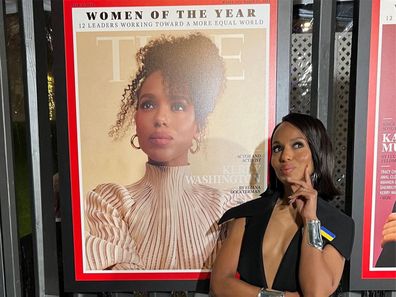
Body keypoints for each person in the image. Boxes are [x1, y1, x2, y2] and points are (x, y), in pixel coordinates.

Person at [84, 33, 248, 271]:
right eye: (148, 104)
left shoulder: (228, 206)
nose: (160, 118)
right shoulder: (111, 201)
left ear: (198, 124)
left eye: (178, 105)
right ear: (136, 118)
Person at [210, 113, 355, 297]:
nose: (285, 156)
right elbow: (220, 284)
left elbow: (316, 292)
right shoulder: (248, 214)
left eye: (297, 145)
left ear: (317, 152)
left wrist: (310, 220)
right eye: (277, 148)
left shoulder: (338, 223)